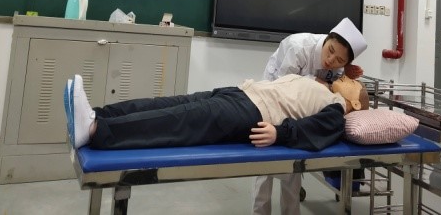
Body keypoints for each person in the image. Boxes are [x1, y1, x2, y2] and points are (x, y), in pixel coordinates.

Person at [64, 72, 369, 152]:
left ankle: (94, 132)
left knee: (175, 121)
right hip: (239, 94)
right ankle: (97, 115)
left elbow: (319, 129)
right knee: (165, 105)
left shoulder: (336, 106)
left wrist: (280, 133)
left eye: (353, 84)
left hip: (251, 112)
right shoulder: (322, 85)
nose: (347, 79)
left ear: (355, 103)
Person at [252, 17, 368, 215]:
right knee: (265, 166)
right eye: (330, 51)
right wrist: (314, 81)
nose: (331, 61)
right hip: (273, 98)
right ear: (327, 39)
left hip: (304, 108)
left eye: (340, 60)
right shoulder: (297, 47)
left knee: (294, 164)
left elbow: (334, 87)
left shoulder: (339, 65)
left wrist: (343, 73)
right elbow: (283, 87)